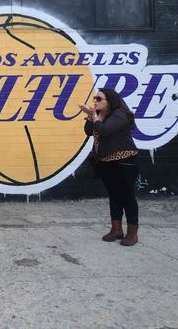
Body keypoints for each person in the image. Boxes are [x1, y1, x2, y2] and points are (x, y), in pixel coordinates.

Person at [79, 88, 139, 246]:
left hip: (125, 162)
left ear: (110, 102)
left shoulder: (120, 115)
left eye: (99, 99)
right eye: (95, 98)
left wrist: (94, 117)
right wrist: (92, 117)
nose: (95, 101)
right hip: (106, 162)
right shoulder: (100, 116)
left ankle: (132, 233)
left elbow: (104, 131)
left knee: (127, 197)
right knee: (114, 196)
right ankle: (116, 229)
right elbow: (88, 132)